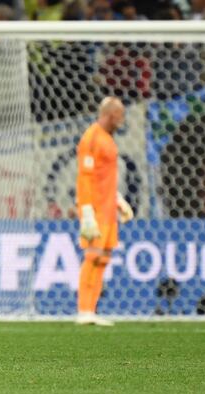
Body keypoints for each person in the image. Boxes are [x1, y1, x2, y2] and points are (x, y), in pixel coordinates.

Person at [75, 96, 134, 326]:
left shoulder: (108, 140)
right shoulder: (91, 138)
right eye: (120, 116)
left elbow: (105, 177)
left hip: (108, 209)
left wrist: (119, 201)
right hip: (95, 209)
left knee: (103, 260)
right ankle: (83, 310)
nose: (122, 120)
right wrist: (87, 212)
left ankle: (91, 309)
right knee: (93, 256)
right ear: (111, 115)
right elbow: (85, 178)